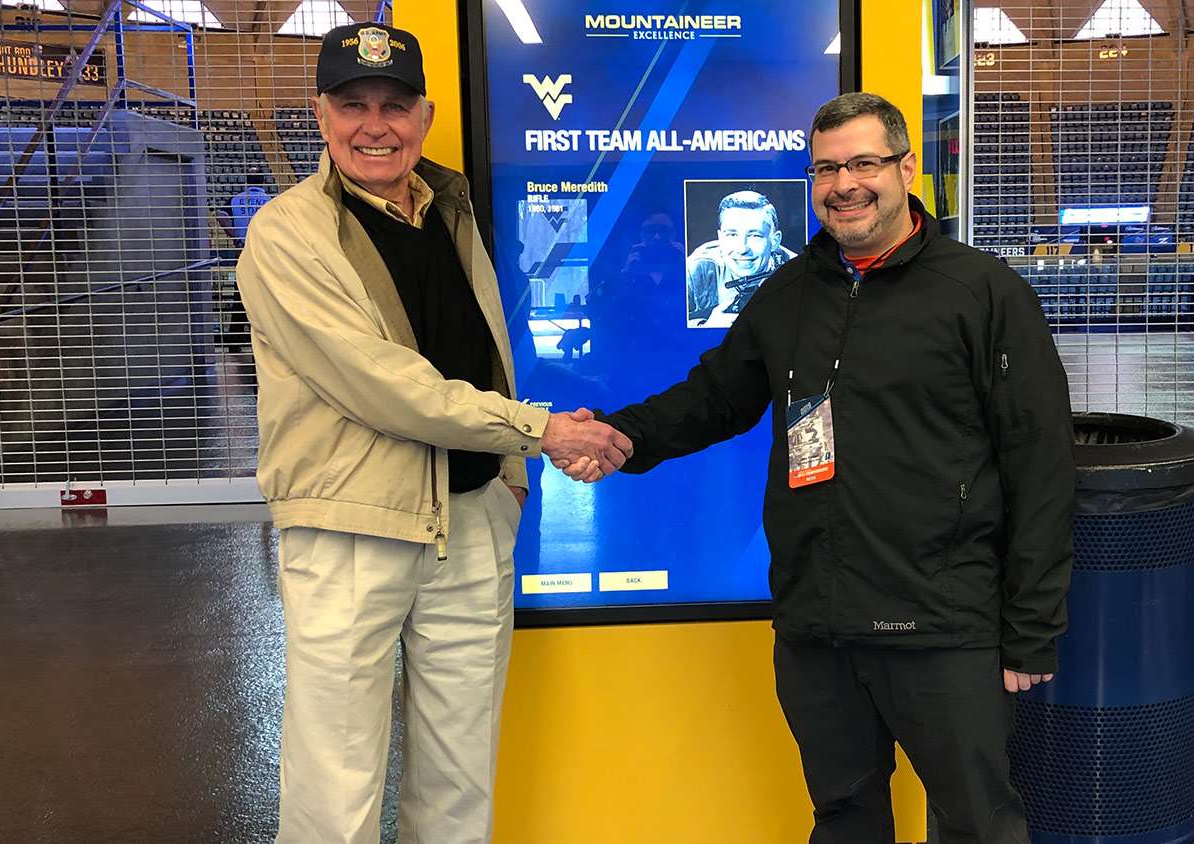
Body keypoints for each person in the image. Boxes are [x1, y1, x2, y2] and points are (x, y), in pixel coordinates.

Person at [569, 92, 1075, 842]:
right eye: (827, 168)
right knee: (843, 817)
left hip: (941, 623)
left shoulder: (984, 293)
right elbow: (713, 398)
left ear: (907, 168)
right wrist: (618, 436)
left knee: (979, 823)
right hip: (819, 625)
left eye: (865, 163)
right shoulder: (789, 295)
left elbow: (1040, 464)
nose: (845, 184)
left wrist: (1032, 628)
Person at [233, 23, 631, 844]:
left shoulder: (448, 209)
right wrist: (537, 434)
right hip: (352, 531)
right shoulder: (286, 233)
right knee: (333, 786)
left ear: (425, 113)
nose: (374, 125)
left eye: (393, 105)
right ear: (320, 115)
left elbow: (482, 346)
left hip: (471, 522)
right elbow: (383, 384)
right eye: (353, 106)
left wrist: (509, 482)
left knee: (459, 776)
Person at [685, 190, 796, 327]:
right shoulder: (695, 271)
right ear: (720, 238)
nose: (742, 249)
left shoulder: (797, 273)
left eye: (755, 235)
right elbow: (667, 327)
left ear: (775, 241)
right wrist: (706, 327)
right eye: (732, 235)